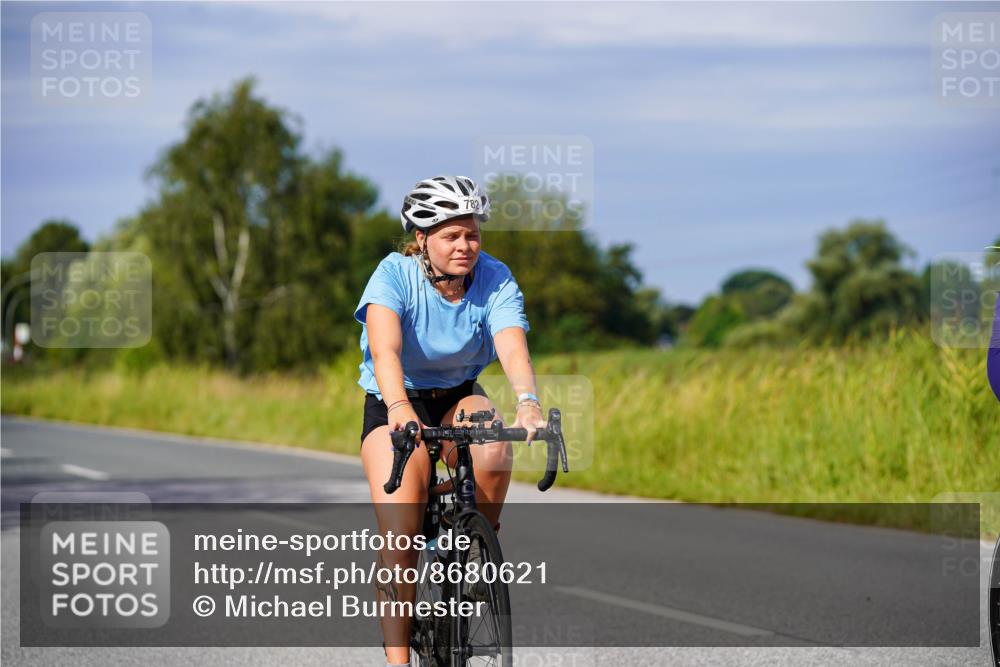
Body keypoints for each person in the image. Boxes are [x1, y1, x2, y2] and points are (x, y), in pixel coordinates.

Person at [354, 175, 548, 667]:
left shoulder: (494, 276)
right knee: (400, 539)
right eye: (452, 236)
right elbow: (385, 350)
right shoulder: (393, 275)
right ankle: (399, 660)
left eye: (473, 234)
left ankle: (476, 547)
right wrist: (399, 410)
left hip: (458, 395)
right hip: (396, 401)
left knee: (493, 445)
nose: (466, 246)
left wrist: (528, 402)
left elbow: (511, 344)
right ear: (422, 239)